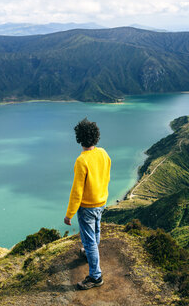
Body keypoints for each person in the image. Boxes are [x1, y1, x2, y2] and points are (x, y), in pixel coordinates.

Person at [64, 118, 111, 290]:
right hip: (101, 202)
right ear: (95, 136)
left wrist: (69, 214)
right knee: (96, 231)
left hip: (87, 208)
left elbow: (77, 192)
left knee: (89, 240)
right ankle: (91, 255)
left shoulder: (82, 161)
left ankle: (95, 277)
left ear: (79, 138)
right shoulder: (103, 153)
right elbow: (106, 176)